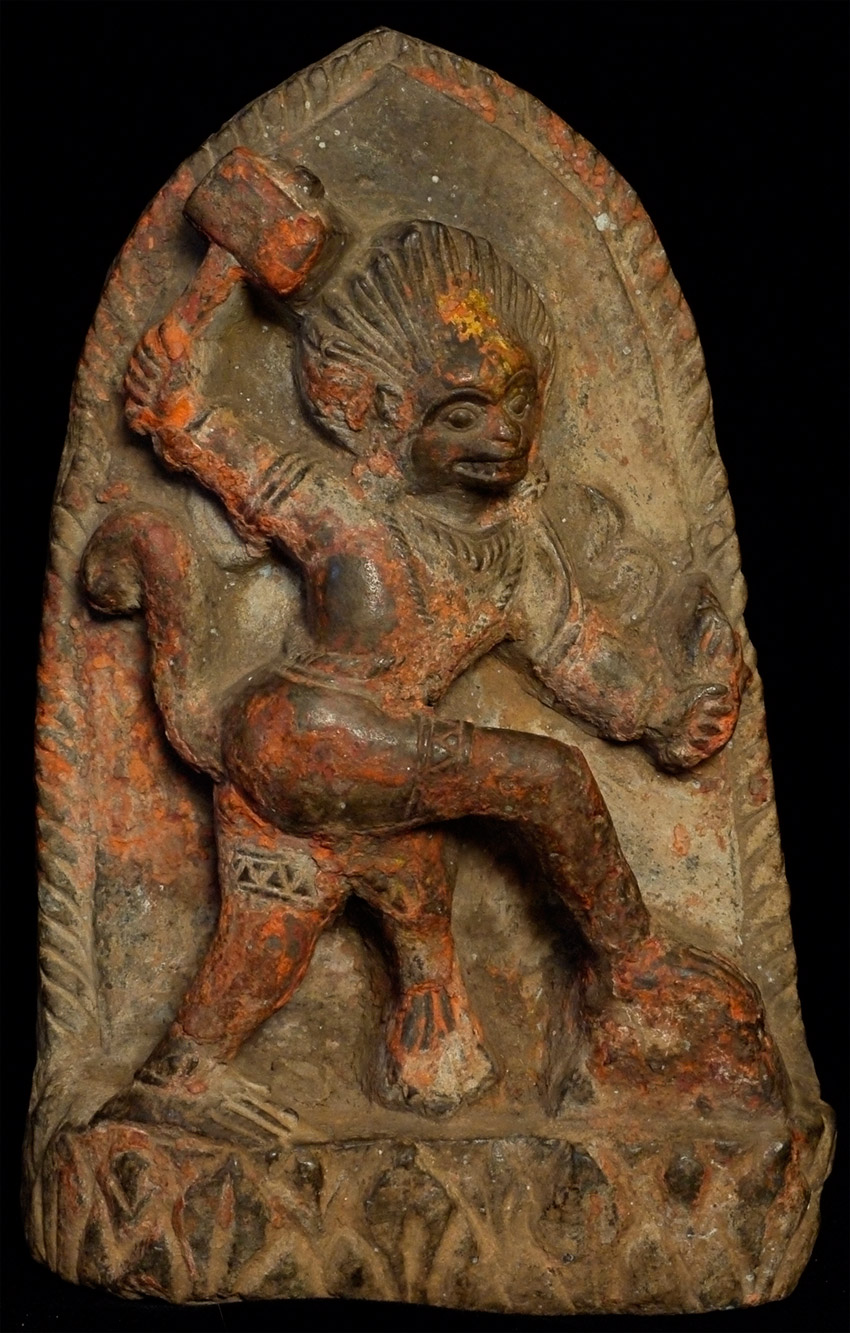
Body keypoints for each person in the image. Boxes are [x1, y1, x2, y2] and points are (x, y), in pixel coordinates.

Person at [83, 219, 777, 1131]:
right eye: (462, 413)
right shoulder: (344, 513)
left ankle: (188, 1070)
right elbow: (230, 458)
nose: (505, 432)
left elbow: (578, 652)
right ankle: (635, 961)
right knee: (548, 778)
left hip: (344, 757)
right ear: (382, 417)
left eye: (518, 401)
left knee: (304, 908)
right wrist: (172, 404)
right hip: (310, 729)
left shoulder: (517, 555)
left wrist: (665, 712)